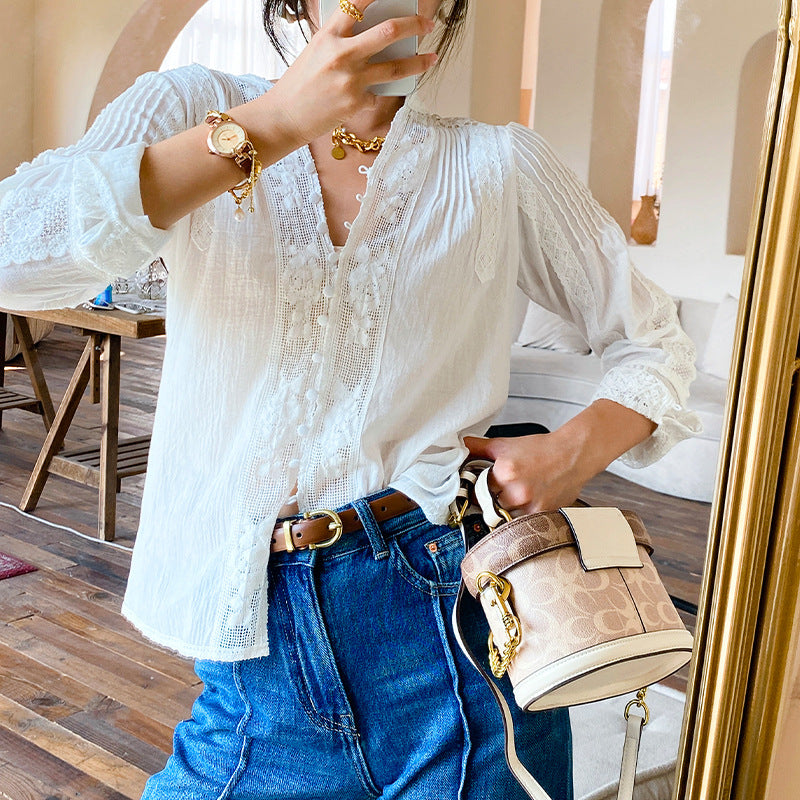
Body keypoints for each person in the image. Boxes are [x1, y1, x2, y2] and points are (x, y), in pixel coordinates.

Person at [0, 1, 701, 798]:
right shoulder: (192, 105)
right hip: (254, 645)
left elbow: (655, 339)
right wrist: (274, 123)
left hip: (451, 622)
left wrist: (570, 451)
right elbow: (13, 254)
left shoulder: (497, 164)